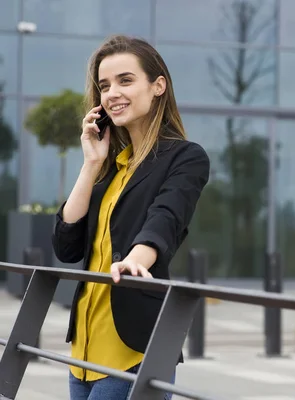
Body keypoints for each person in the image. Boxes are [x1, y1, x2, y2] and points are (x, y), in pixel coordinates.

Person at [51, 34, 210, 400]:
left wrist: (138, 259)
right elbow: (65, 245)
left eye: (125, 80)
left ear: (158, 86)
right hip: (83, 354)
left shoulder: (185, 158)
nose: (111, 93)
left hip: (133, 351)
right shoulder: (111, 169)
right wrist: (91, 163)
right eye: (104, 86)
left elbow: (166, 216)